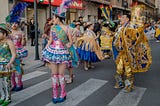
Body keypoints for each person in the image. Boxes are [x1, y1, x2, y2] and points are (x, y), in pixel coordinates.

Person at [112, 13, 152, 92]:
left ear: (127, 19)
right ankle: (120, 83)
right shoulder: (120, 28)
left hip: (128, 53)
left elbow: (135, 38)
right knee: (119, 69)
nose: (120, 19)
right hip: (121, 53)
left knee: (128, 70)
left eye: (123, 17)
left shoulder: (130, 27)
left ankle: (129, 86)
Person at [42, 8, 72, 103]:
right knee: (54, 75)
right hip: (54, 52)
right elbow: (50, 40)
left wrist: (69, 44)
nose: (53, 20)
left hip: (63, 53)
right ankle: (55, 94)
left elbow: (71, 41)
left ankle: (63, 93)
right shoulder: (53, 28)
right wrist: (45, 49)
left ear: (58, 18)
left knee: (61, 75)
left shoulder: (67, 28)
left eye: (54, 18)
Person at [0, 23, 16, 106]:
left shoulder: (9, 42)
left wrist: (10, 63)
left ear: (4, 33)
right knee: (0, 83)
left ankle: (8, 98)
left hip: (7, 65)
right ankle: (2, 97)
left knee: (7, 83)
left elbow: (14, 54)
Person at [10, 22, 27, 91]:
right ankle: (13, 84)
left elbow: (23, 44)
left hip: (18, 52)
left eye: (16, 23)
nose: (14, 24)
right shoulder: (7, 32)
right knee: (11, 69)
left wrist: (23, 38)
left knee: (17, 67)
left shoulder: (20, 32)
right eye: (13, 23)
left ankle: (19, 84)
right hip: (10, 52)